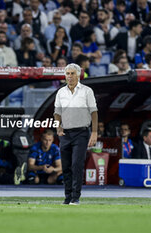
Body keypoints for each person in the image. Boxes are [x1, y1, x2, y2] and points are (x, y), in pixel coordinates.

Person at [54, 63, 98, 205]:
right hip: (65, 134)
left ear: (79, 75)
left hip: (81, 133)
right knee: (65, 166)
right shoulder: (60, 92)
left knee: (76, 164)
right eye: (68, 74)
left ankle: (75, 197)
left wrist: (95, 132)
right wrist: (58, 128)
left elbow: (94, 112)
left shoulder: (87, 91)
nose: (70, 76)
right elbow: (57, 113)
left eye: (73, 73)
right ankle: (67, 197)